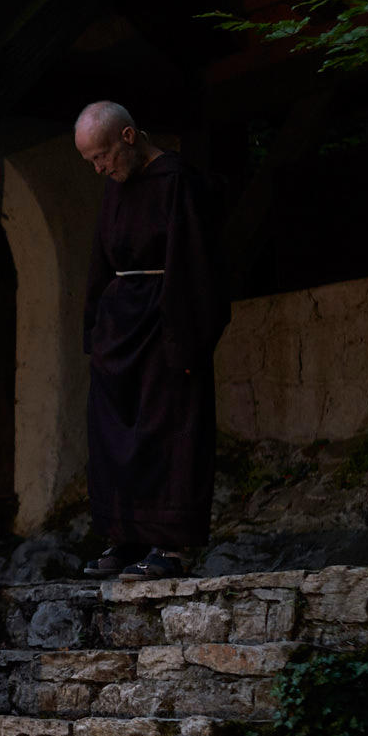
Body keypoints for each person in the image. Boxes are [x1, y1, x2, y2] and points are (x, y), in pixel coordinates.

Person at [75, 100, 229, 580]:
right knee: (114, 434)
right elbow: (102, 259)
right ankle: (126, 537)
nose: (100, 167)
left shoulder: (177, 181)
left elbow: (197, 264)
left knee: (168, 432)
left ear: (128, 137)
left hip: (167, 323)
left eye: (103, 155)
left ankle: (168, 547)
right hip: (120, 329)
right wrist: (96, 329)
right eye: (91, 162)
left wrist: (185, 340)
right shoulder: (115, 187)